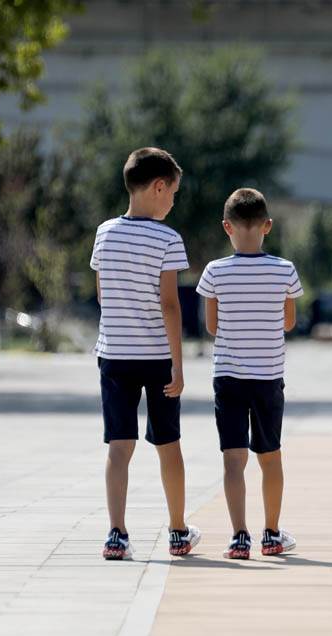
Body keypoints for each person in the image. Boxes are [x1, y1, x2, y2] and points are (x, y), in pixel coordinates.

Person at [92, 147, 201, 560]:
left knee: (119, 446)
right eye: (172, 192)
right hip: (156, 357)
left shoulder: (104, 233)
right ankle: (177, 531)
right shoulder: (167, 238)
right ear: (158, 187)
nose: (173, 201)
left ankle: (117, 534)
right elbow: (170, 304)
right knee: (167, 443)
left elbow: (103, 294)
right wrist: (178, 363)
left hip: (114, 354)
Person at [196, 188, 303, 559]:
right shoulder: (285, 270)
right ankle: (271, 533)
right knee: (270, 456)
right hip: (269, 377)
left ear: (227, 226)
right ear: (267, 226)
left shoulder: (214, 272)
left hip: (228, 376)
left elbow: (212, 327)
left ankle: (239, 536)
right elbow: (289, 322)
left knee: (233, 459)